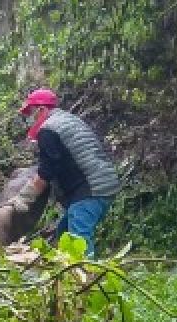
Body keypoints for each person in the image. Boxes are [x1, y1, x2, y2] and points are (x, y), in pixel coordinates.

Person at [7, 88, 120, 257]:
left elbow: (46, 172)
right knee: (64, 233)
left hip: (91, 190)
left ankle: (88, 278)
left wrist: (24, 197)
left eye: (30, 113)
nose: (28, 119)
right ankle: (69, 275)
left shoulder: (48, 130)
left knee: (77, 241)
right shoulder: (68, 121)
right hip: (103, 183)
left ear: (42, 110)